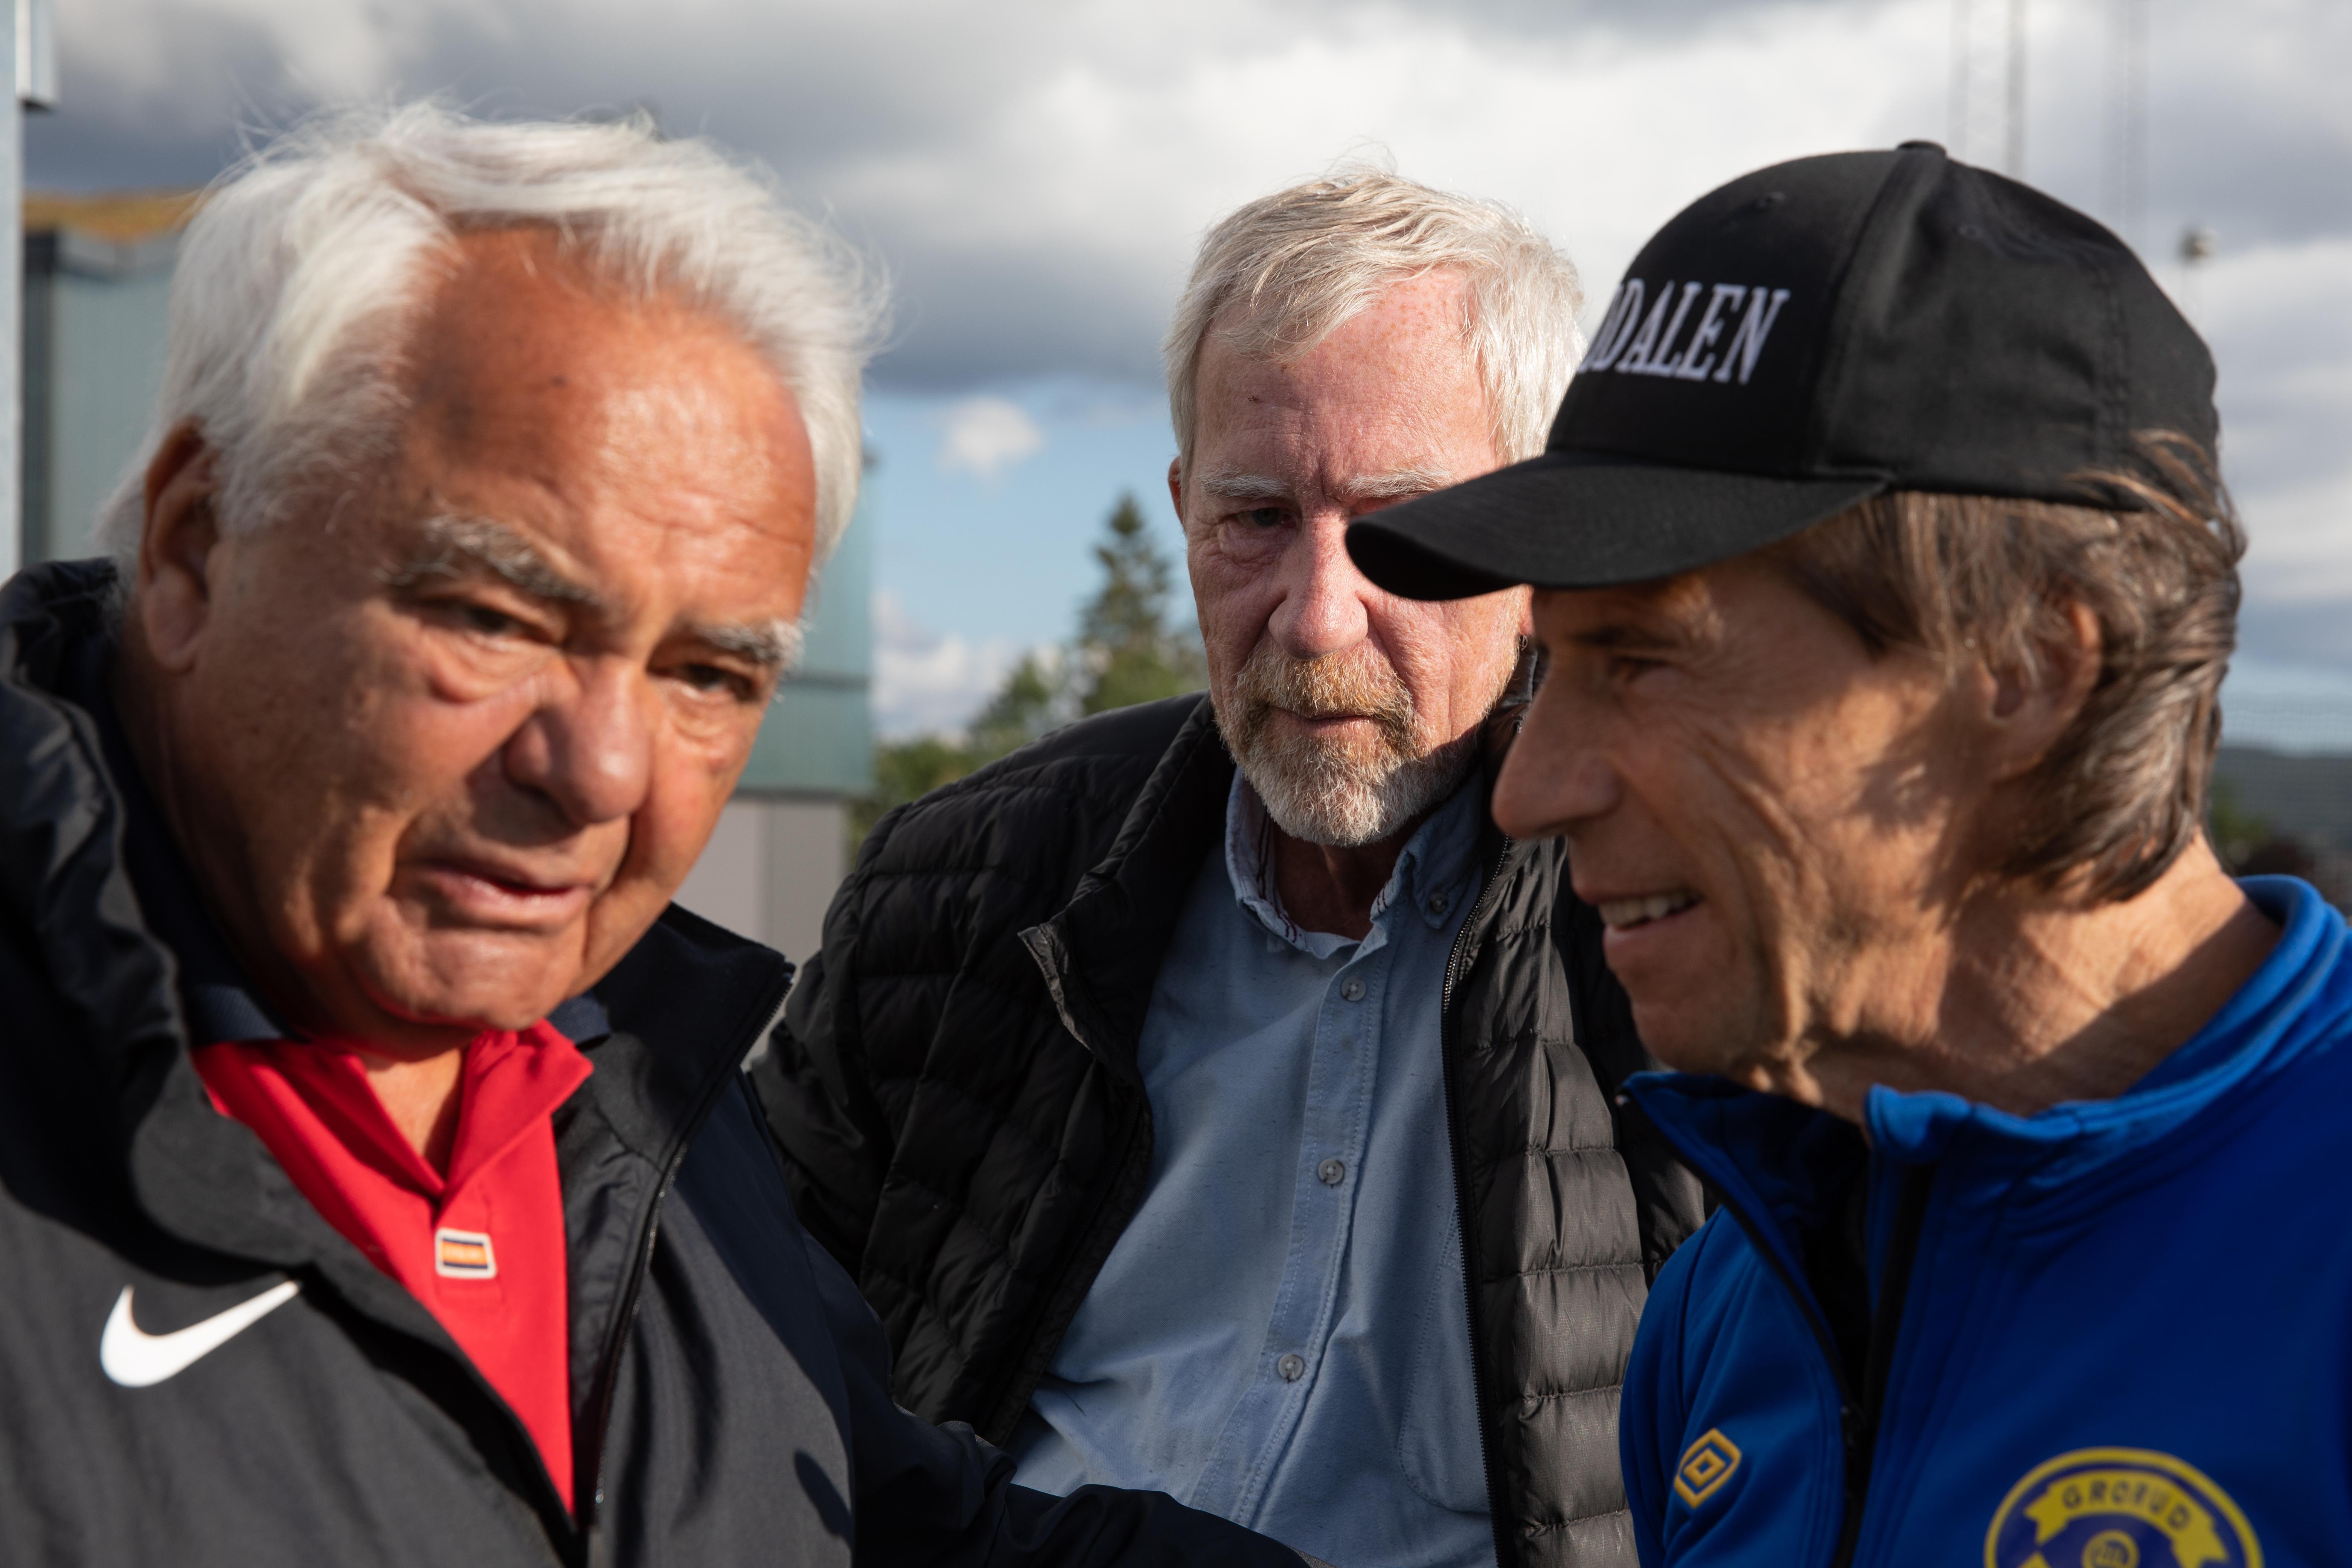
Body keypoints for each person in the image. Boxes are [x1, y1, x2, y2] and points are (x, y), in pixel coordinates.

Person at [0, 102, 1319, 1568]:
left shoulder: (626, 1080)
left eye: (708, 673)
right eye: (494, 619)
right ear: (196, 545)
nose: (602, 771)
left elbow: (865, 1520)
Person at [1348, 142, 2347, 1566]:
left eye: (1641, 662)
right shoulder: (1729, 1304)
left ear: (2025, 664)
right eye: (1548, 668)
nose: (1531, 790)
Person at [753, 168, 1706, 1568]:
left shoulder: (1685, 926)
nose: (1318, 620)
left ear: (1538, 542)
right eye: (1258, 520)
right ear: (1186, 508)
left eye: (1403, 530)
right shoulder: (964, 892)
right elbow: (736, 1342)